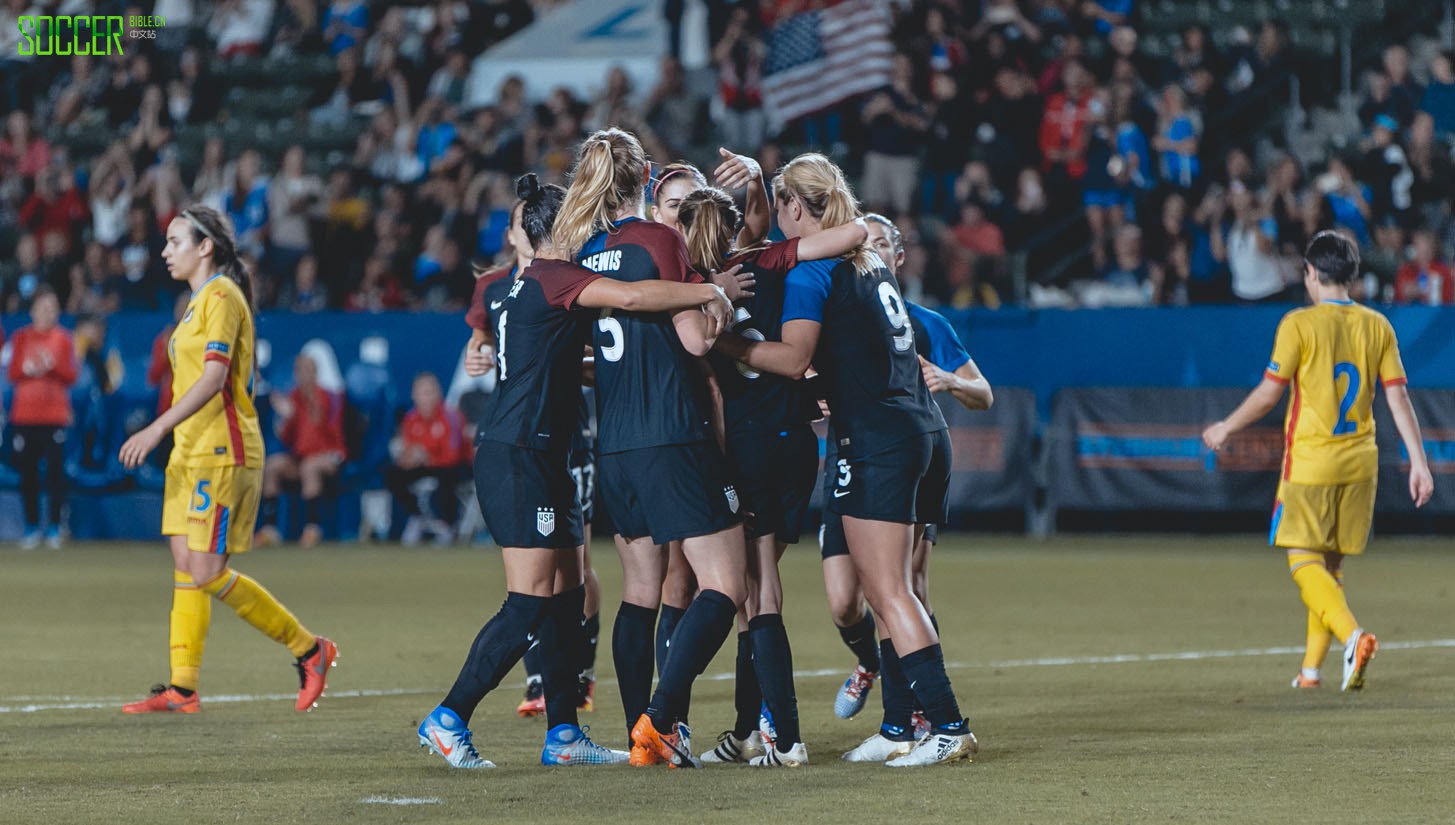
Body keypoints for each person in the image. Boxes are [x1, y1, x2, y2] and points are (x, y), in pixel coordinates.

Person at [416, 173, 732, 769]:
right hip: (522, 457)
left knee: (565, 600)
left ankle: (563, 734)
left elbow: (563, 361)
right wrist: (706, 291)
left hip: (542, 453)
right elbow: (636, 298)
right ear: (562, 227)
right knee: (527, 601)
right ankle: (449, 716)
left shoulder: (519, 285)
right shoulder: (557, 276)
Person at [715, 154, 977, 767]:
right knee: (898, 589)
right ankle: (902, 728)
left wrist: (722, 342)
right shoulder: (868, 264)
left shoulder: (815, 272)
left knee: (888, 593)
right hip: (920, 429)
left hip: (877, 439)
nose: (774, 217)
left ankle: (945, 725)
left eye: (780, 203)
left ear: (796, 208)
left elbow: (788, 356)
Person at [553, 127, 749, 768]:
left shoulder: (585, 249)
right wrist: (720, 299)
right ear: (644, 180)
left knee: (640, 594)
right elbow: (693, 342)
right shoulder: (660, 239)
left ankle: (642, 730)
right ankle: (662, 719)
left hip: (615, 445)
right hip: (673, 434)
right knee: (725, 582)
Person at [117, 205, 337, 714]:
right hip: (189, 454)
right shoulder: (196, 303)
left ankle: (309, 648)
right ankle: (183, 688)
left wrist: (156, 427)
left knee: (207, 570)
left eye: (175, 242)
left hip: (223, 452)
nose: (165, 250)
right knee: (184, 565)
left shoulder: (222, 297)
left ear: (204, 247)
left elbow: (215, 379)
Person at [679, 187, 869, 766]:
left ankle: (783, 737)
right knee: (750, 595)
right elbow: (849, 233)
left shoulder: (692, 294)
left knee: (757, 591)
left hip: (752, 447)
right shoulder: (770, 261)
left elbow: (702, 359)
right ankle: (746, 733)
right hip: (794, 443)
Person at [1203, 231, 1434, 692]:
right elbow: (1398, 398)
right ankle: (1310, 672)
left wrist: (1227, 426)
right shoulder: (1378, 325)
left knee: (1302, 561)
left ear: (1311, 273)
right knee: (1330, 568)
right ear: (1350, 276)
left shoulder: (1298, 324)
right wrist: (1419, 462)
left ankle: (1352, 637)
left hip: (1311, 463)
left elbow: (1271, 392)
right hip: (1360, 467)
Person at [820, 214, 993, 757]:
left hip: (897, 454)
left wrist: (952, 381)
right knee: (846, 600)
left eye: (879, 244)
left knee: (904, 585)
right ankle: (877, 674)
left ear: (897, 256)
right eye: (861, 242)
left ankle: (909, 722)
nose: (868, 251)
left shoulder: (922, 322)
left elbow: (984, 393)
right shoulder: (844, 311)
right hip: (851, 455)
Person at [463, 195, 605, 719]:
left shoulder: (562, 277)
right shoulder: (512, 285)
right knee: (531, 595)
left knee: (571, 579)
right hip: (523, 445)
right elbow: (484, 345)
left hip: (560, 443)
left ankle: (567, 718)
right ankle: (456, 714)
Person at [646, 150, 766, 697]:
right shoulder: (653, 273)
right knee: (681, 576)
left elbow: (757, 231)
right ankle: (670, 713)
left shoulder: (713, 267)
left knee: (742, 585)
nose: (680, 216)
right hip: (684, 437)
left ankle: (749, 720)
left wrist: (758, 182)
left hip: (728, 435)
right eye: (672, 206)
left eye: (690, 205)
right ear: (656, 212)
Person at [7, 286, 77, 550]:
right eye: (44, 308)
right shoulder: (21, 337)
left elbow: (71, 375)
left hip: (55, 415)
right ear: (34, 310)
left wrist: (51, 367)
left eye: (52, 308)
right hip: (25, 415)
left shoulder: (63, 338)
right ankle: (31, 527)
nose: (48, 313)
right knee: (28, 474)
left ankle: (56, 527)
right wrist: (28, 368)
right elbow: (13, 373)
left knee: (56, 474)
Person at [255, 353, 348, 548]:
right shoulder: (293, 397)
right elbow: (288, 439)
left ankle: (312, 528)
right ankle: (270, 529)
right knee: (272, 466)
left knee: (309, 468)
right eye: (299, 370)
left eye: (307, 370)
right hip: (300, 457)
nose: (303, 375)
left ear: (315, 372)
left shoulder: (329, 397)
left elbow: (331, 433)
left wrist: (310, 408)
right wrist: (286, 419)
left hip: (329, 456)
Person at [385, 372, 469, 545]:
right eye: (422, 392)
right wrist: (409, 459)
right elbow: (406, 451)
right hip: (426, 465)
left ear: (438, 394)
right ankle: (419, 516)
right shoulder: (411, 419)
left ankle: (447, 524)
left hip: (454, 465)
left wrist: (427, 457)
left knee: (447, 476)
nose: (426, 398)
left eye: (430, 392)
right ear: (414, 395)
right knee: (393, 474)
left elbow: (453, 456)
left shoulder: (450, 417)